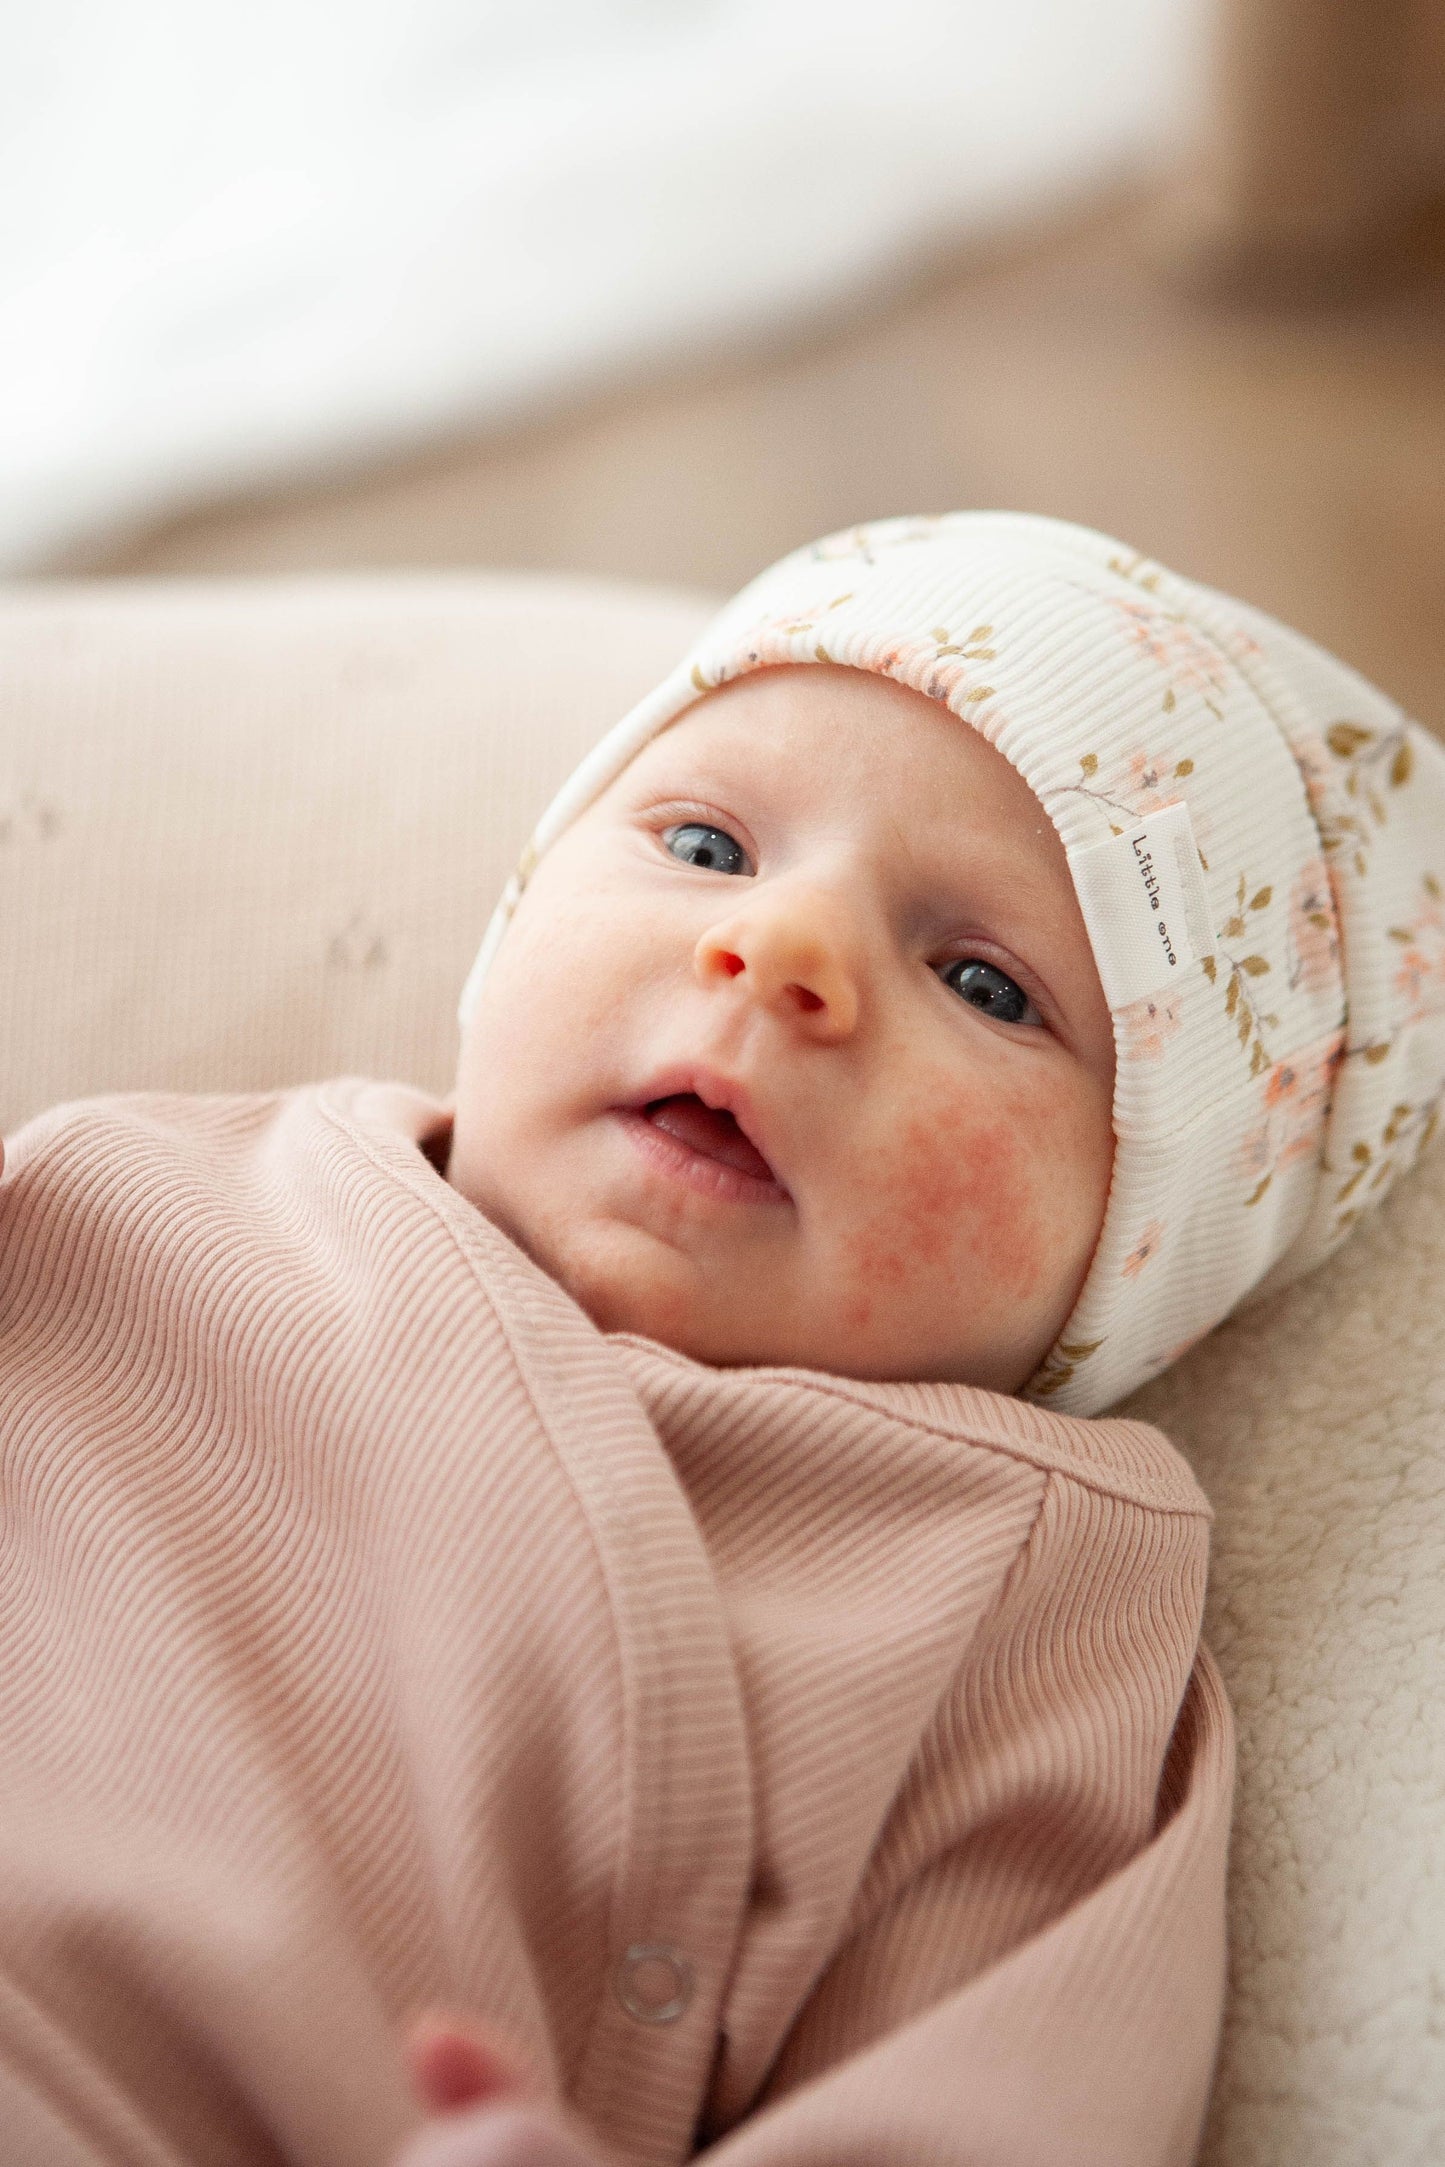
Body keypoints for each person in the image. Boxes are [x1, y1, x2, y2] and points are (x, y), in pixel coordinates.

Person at [2, 513, 1442, 2167]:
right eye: (703, 850)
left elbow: (994, 2113)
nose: (778, 953)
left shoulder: (1014, 1603)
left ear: (1132, 1253)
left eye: (982, 983)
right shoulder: (126, 1192)